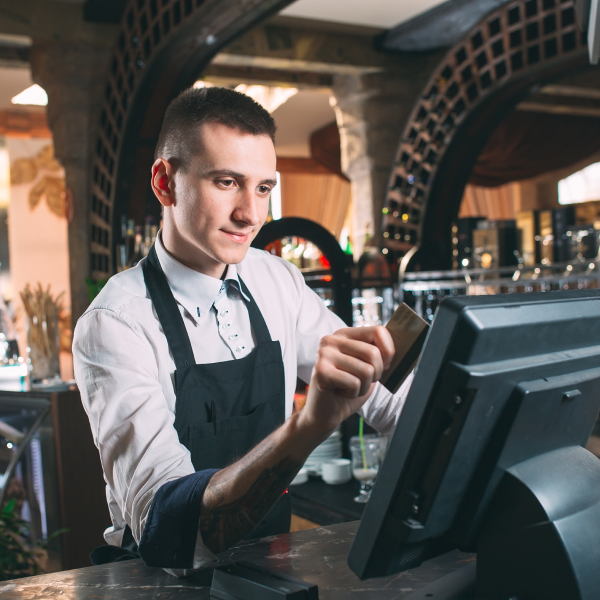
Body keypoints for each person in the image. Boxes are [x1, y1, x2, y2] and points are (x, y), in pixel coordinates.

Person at [73, 86, 413, 576]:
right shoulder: (116, 324)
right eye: (227, 182)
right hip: (167, 584)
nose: (251, 215)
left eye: (263, 188)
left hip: (271, 570)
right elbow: (169, 528)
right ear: (165, 183)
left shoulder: (277, 280)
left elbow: (387, 400)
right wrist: (307, 425)